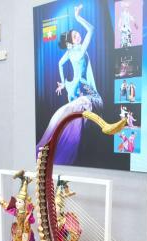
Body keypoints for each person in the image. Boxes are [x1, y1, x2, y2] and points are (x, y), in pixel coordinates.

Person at [36, 4, 103, 165]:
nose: (78, 35)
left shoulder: (73, 51)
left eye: (76, 34)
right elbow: (91, 29)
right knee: (67, 115)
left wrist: (64, 84)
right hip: (84, 94)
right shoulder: (77, 51)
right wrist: (77, 17)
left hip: (86, 94)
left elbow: (60, 64)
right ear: (71, 42)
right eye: (74, 36)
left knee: (67, 114)